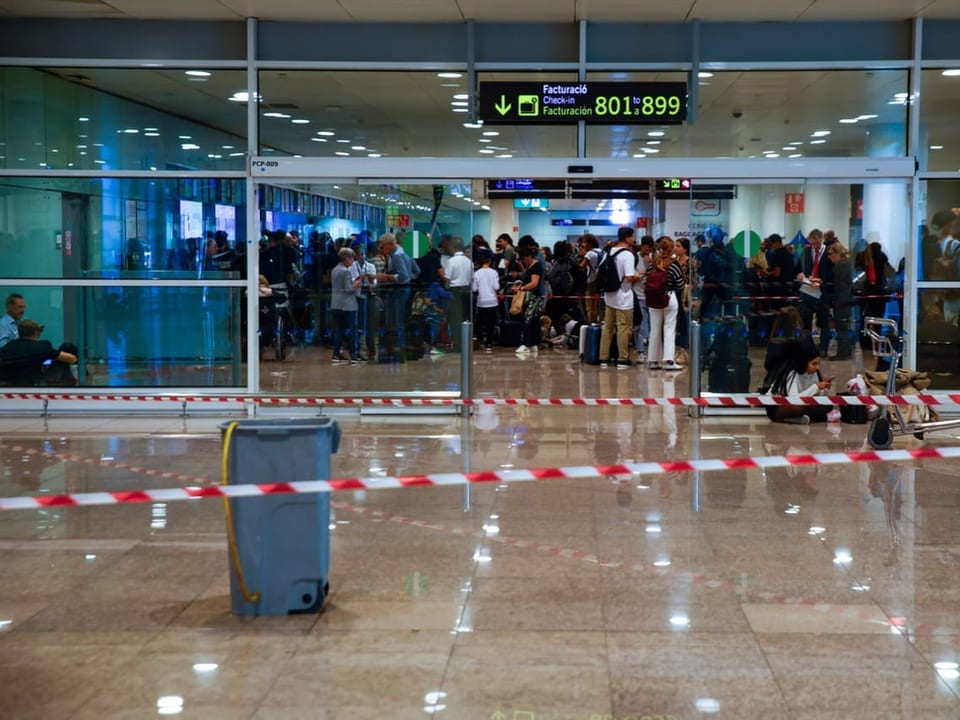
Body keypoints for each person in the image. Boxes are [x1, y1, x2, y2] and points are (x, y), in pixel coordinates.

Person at [763, 341, 833, 424]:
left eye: (818, 364)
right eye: (814, 364)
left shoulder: (815, 373)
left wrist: (823, 388)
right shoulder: (791, 373)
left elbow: (816, 397)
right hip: (779, 406)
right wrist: (816, 387)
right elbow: (794, 400)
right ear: (804, 362)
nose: (817, 367)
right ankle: (808, 417)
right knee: (797, 408)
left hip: (804, 404)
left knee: (828, 404)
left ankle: (803, 418)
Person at [598, 226, 639, 368]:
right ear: (628, 238)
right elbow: (629, 276)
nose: (634, 239)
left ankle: (603, 357)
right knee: (624, 327)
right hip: (623, 297)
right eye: (632, 237)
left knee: (608, 327)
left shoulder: (609, 251)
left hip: (609, 296)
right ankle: (622, 358)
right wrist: (638, 276)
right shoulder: (627, 255)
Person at [0, 319, 77, 386]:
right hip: (36, 384)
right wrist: (52, 360)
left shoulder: (7, 347)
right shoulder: (42, 347)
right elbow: (71, 359)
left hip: (9, 385)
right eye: (40, 331)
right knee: (67, 348)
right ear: (35, 332)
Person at [797, 228, 833, 356]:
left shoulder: (828, 252)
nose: (815, 246)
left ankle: (823, 347)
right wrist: (800, 274)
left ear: (821, 240)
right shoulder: (806, 252)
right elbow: (799, 267)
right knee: (806, 320)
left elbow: (831, 271)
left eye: (817, 243)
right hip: (808, 290)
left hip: (822, 291)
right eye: (813, 244)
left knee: (824, 320)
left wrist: (823, 281)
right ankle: (809, 346)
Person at [330, 247, 362, 364]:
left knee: (339, 330)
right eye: (352, 258)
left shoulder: (335, 269)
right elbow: (348, 289)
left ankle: (336, 353)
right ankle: (354, 354)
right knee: (353, 330)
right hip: (348, 305)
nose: (353, 261)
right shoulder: (346, 271)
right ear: (347, 258)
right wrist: (357, 284)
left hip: (336, 304)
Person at [826, 242, 856, 360]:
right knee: (844, 326)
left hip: (842, 301)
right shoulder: (846, 264)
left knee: (842, 327)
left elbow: (839, 287)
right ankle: (845, 352)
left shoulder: (841, 266)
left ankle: (843, 353)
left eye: (831, 254)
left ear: (838, 253)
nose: (829, 257)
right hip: (845, 300)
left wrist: (834, 301)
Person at [514, 244, 545, 355]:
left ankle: (525, 344)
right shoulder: (530, 266)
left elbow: (534, 283)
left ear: (528, 257)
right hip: (531, 297)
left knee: (527, 320)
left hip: (534, 297)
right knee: (534, 321)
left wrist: (521, 288)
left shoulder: (537, 266)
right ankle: (533, 343)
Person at [472, 249, 500, 351]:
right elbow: (496, 287)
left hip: (481, 302)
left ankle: (480, 340)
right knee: (491, 324)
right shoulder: (494, 273)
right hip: (492, 301)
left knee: (479, 322)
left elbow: (474, 289)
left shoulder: (476, 273)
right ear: (489, 260)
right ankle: (489, 343)